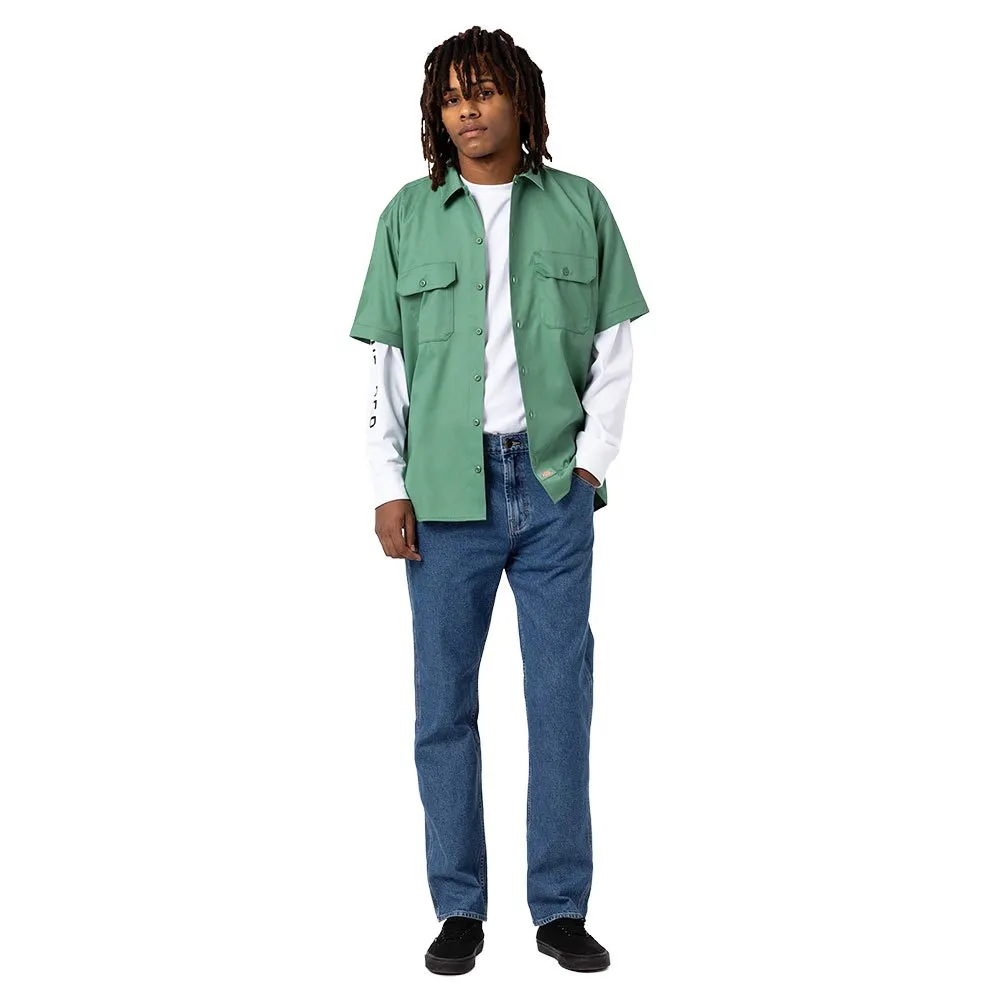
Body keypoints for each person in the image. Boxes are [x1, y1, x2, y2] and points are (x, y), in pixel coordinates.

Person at [349, 25, 648, 975]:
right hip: (443, 497)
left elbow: (614, 348)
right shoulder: (407, 216)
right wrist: (386, 486)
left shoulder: (580, 205)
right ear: (436, 114)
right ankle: (459, 909)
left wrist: (592, 465)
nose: (467, 110)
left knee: (560, 701)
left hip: (554, 488)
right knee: (443, 706)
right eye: (450, 97)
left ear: (521, 99)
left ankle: (559, 910)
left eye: (482, 91)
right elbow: (382, 365)